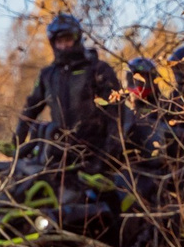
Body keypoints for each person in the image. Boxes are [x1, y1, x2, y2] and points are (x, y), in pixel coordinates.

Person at [11, 13, 127, 162]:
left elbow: (116, 112)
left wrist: (110, 154)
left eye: (68, 39)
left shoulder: (98, 70)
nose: (64, 45)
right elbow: (31, 107)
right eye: (59, 41)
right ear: (53, 43)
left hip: (94, 152)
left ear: (77, 38)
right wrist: (17, 143)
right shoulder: (48, 75)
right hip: (58, 150)